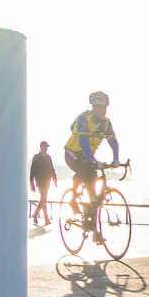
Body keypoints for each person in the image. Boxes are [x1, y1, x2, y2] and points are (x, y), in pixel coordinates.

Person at [63, 91, 122, 226]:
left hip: (87, 155)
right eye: (100, 107)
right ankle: (72, 199)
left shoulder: (106, 123)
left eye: (105, 107)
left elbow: (113, 142)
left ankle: (93, 228)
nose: (103, 110)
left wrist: (116, 159)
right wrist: (92, 159)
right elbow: (83, 141)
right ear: (93, 107)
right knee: (84, 169)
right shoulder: (84, 118)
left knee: (93, 195)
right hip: (72, 152)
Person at [29, 140, 58, 226]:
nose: (46, 148)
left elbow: (52, 169)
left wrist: (55, 179)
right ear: (41, 147)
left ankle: (36, 215)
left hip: (47, 182)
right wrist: (32, 183)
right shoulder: (36, 157)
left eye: (46, 147)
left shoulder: (48, 157)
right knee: (43, 199)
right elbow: (32, 170)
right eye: (44, 146)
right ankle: (45, 219)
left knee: (43, 200)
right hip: (40, 181)